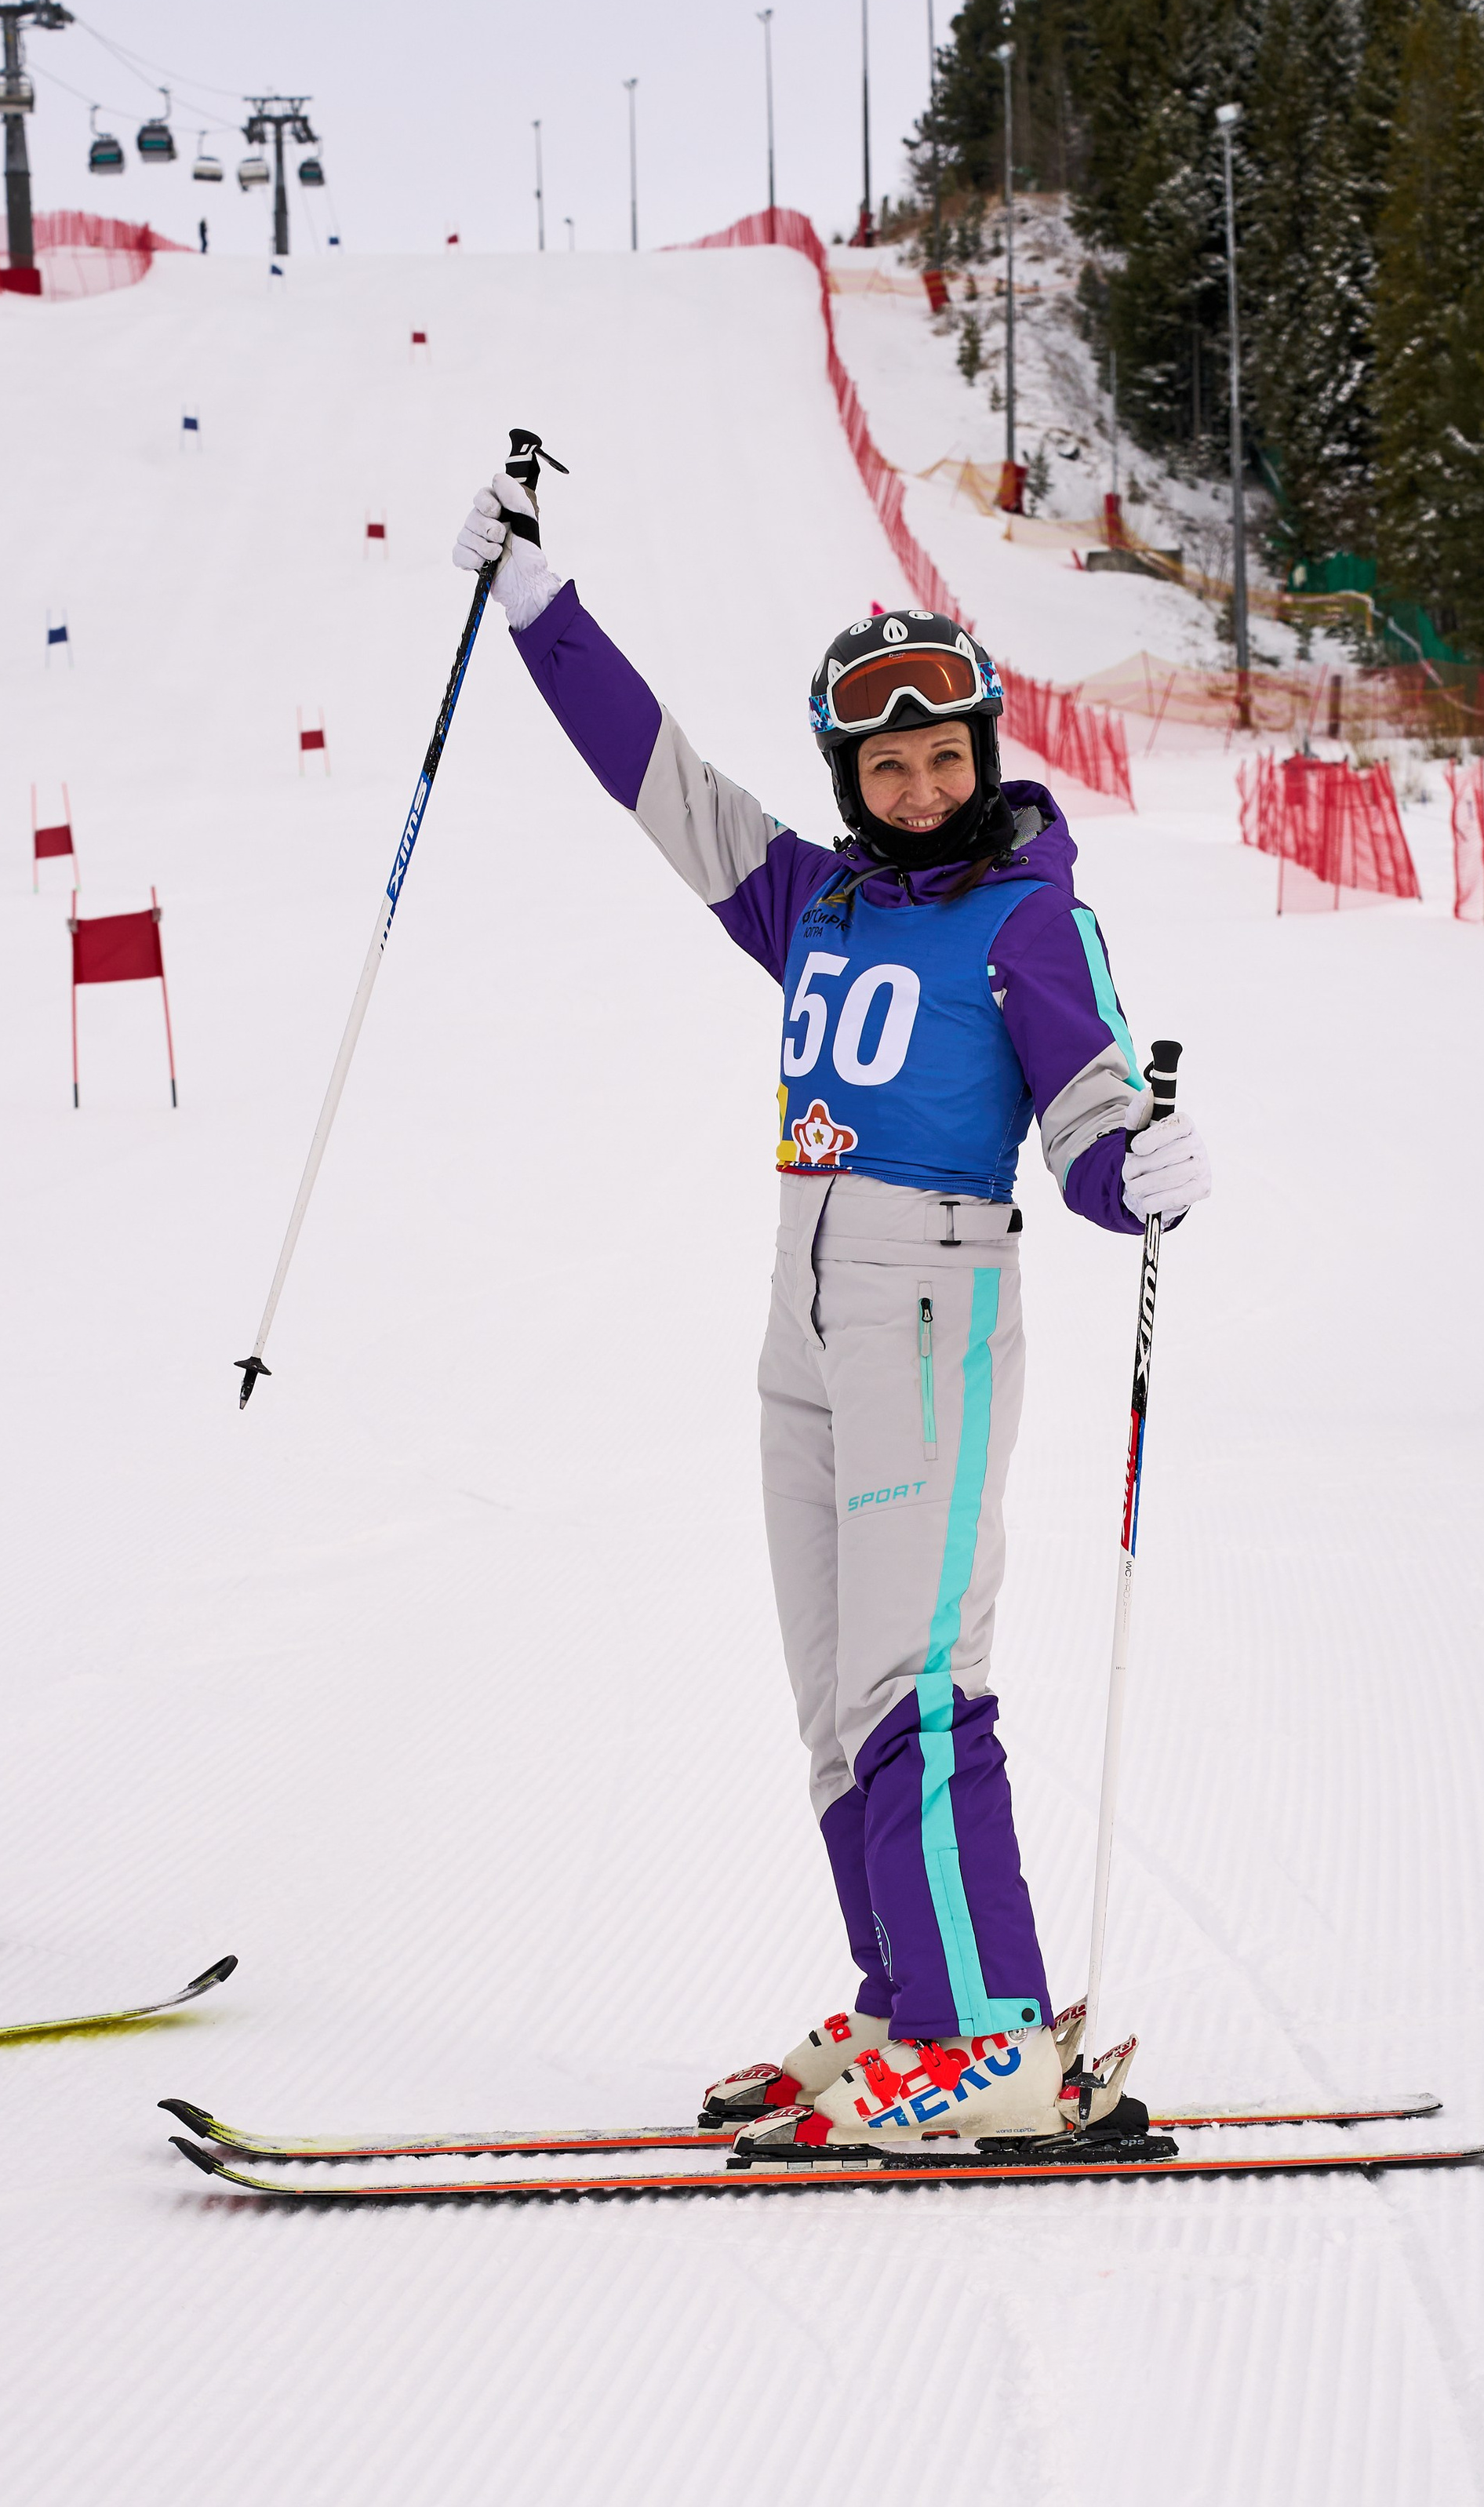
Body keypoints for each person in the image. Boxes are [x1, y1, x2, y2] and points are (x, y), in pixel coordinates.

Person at [452, 471, 1211, 2152]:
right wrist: (535, 607)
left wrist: (1130, 1171)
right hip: (800, 1315)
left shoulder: (1030, 911)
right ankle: (901, 2003)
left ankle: (985, 2044)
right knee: (835, 1701)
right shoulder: (817, 899)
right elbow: (660, 783)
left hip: (930, 1301)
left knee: (916, 1684)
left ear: (986, 750)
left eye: (947, 754)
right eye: (888, 763)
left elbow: (1084, 1102)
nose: (923, 785)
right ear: (849, 778)